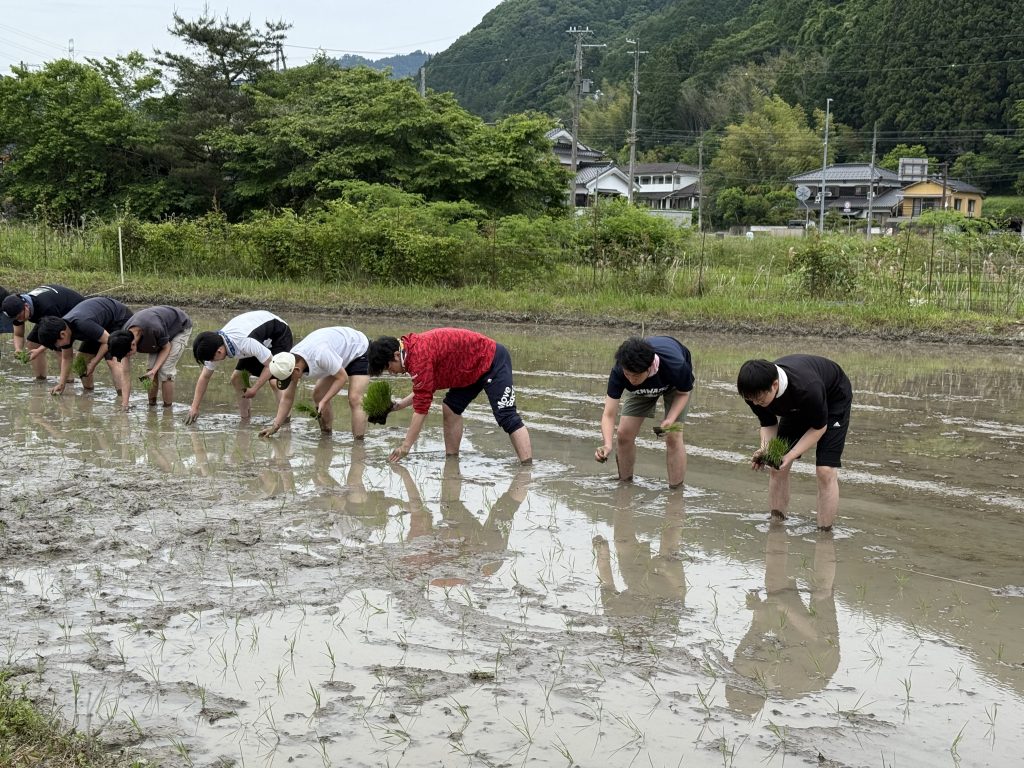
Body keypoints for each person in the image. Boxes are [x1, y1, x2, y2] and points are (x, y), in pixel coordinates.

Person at [367, 328, 532, 464]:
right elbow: (424, 388)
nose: (392, 373)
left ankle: (527, 468)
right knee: (450, 408)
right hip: (470, 370)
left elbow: (422, 409)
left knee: (507, 416)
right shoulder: (410, 350)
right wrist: (397, 406)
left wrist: (405, 446)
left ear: (396, 355)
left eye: (389, 368)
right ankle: (452, 461)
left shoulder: (418, 357)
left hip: (492, 360)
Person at [737, 355, 853, 531]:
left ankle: (824, 533)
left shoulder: (807, 388)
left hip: (833, 399)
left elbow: (819, 428)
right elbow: (768, 424)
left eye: (759, 399)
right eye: (751, 400)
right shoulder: (754, 393)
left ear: (774, 385)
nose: (755, 404)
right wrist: (765, 450)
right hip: (797, 407)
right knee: (777, 465)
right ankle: (777, 525)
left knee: (825, 470)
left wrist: (790, 455)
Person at [595, 336, 694, 488]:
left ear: (649, 368)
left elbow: (684, 393)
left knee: (673, 435)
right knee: (623, 435)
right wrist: (607, 445)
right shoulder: (620, 371)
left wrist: (671, 419)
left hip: (675, 387)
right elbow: (609, 414)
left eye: (635, 375)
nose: (631, 379)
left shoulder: (676, 365)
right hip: (641, 391)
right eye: (627, 374)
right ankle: (625, 483)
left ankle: (676, 491)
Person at [259, 326, 371, 439]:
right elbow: (287, 398)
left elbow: (342, 378)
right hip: (336, 353)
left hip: (357, 347)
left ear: (296, 370)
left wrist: (325, 400)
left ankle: (358, 444)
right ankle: (326, 436)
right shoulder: (290, 362)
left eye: (290, 379)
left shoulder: (320, 355)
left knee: (354, 398)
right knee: (318, 395)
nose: (291, 381)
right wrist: (275, 427)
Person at [185, 310, 292, 425]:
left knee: (274, 382)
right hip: (258, 339)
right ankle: (245, 421)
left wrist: (255, 388)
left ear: (219, 351)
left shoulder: (244, 343)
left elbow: (271, 364)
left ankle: (285, 422)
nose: (211, 362)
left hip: (279, 334)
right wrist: (194, 407)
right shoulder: (216, 344)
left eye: (211, 359)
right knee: (237, 378)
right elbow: (204, 377)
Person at [34, 296, 132, 395]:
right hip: (100, 326)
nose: (58, 348)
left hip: (118, 318)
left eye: (56, 345)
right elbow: (67, 358)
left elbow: (108, 341)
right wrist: (61, 384)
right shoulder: (64, 329)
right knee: (81, 362)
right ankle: (88, 394)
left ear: (62, 334)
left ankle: (122, 400)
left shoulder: (82, 324)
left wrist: (94, 362)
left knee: (112, 360)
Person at [106, 305, 193, 410]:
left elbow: (167, 347)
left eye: (128, 354)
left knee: (165, 372)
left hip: (179, 327)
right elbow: (125, 373)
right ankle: (151, 406)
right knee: (150, 371)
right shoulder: (123, 340)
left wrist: (155, 370)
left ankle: (167, 410)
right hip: (159, 334)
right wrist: (125, 404)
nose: (127, 357)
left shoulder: (153, 328)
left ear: (133, 345)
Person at [2, 284, 85, 379]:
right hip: (50, 315)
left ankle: (68, 383)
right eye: (15, 318)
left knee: (61, 348)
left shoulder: (46, 308)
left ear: (26, 306)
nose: (19, 320)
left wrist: (39, 350)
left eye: (19, 316)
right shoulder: (18, 311)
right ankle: (40, 380)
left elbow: (55, 335)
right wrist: (18, 349)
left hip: (74, 312)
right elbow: (18, 335)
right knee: (32, 344)